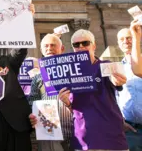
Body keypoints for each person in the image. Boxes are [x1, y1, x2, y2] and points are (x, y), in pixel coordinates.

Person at [59, 29, 128, 151]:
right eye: (76, 44)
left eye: (85, 43)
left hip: (110, 135)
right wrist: (66, 101)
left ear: (94, 46)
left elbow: (116, 81)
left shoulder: (106, 65)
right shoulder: (68, 72)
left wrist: (117, 81)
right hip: (83, 137)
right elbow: (71, 107)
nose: (81, 47)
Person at [27, 34, 73, 151]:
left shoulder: (73, 71)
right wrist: (32, 115)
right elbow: (32, 101)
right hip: (49, 131)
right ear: (41, 50)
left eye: (53, 45)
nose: (49, 48)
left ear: (61, 48)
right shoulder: (38, 77)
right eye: (46, 46)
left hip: (75, 129)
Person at [117, 20, 142, 151]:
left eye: (129, 38)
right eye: (122, 39)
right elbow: (114, 98)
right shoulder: (115, 68)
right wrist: (120, 121)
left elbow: (138, 70)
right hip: (131, 130)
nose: (126, 41)